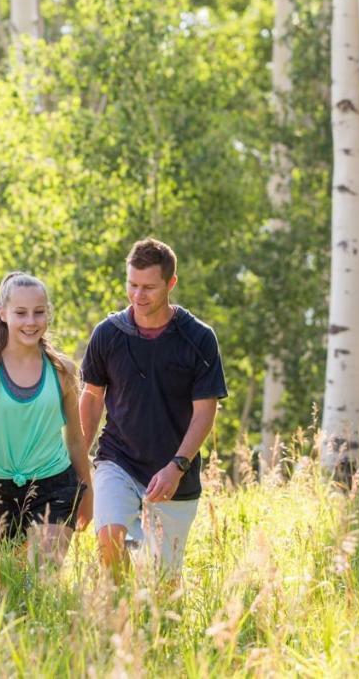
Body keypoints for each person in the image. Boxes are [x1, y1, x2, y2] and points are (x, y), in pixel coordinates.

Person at [79, 238, 227, 577]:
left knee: (163, 583)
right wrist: (77, 463)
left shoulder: (198, 338)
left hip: (175, 474)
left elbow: (205, 411)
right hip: (118, 460)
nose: (137, 295)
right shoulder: (108, 334)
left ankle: (147, 621)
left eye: (148, 287)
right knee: (109, 540)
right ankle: (114, 617)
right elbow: (92, 397)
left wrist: (177, 466)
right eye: (132, 284)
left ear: (171, 283)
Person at [0, 273, 93, 562]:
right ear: (3, 314)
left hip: (54, 484)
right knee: (4, 592)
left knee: (43, 580)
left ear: (48, 314)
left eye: (39, 312)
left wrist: (88, 492)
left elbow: (76, 440)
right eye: (21, 313)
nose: (31, 321)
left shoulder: (63, 371)